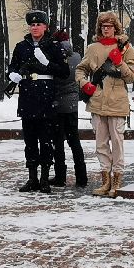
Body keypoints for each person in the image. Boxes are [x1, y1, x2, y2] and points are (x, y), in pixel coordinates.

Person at [76, 10, 134, 198]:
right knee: (101, 144)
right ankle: (106, 181)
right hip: (97, 101)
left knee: (117, 143)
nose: (106, 29)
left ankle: (117, 180)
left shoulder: (126, 48)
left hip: (117, 102)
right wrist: (85, 83)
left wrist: (120, 63)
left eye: (110, 26)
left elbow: (132, 77)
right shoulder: (93, 48)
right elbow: (80, 69)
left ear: (115, 28)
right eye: (103, 26)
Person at [7, 9, 68, 194]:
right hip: (27, 97)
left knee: (46, 140)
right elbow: (12, 67)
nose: (35, 27)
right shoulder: (21, 46)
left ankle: (44, 179)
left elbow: (64, 72)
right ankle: (32, 177)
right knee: (30, 141)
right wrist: (13, 75)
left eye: (38, 24)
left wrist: (48, 63)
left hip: (45, 97)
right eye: (32, 25)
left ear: (45, 27)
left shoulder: (53, 46)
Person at [48, 28, 86, 188]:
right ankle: (81, 177)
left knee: (58, 142)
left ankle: (60, 176)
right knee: (74, 141)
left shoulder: (53, 56)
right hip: (72, 103)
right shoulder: (77, 57)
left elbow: (53, 77)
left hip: (57, 104)